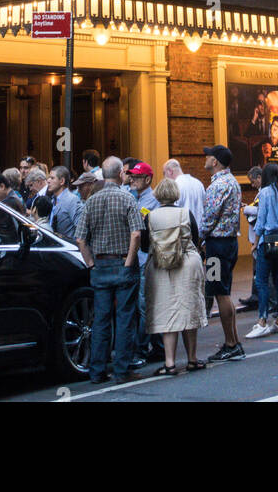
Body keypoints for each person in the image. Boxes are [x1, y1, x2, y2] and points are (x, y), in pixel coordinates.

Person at [75, 156, 143, 385]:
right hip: (123, 262)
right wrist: (128, 261)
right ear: (120, 174)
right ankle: (122, 370)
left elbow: (80, 239)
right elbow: (136, 233)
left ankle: (97, 371)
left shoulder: (91, 201)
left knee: (101, 321)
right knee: (125, 319)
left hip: (100, 266)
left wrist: (91, 264)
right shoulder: (127, 198)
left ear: (103, 176)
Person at [140, 177, 208, 374]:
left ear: (158, 195)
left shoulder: (150, 217)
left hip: (160, 267)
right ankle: (192, 359)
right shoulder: (186, 214)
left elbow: (145, 246)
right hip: (187, 264)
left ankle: (169, 363)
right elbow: (195, 239)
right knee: (188, 311)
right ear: (175, 194)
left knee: (166, 313)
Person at [200, 145, 244, 361]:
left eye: (208, 156)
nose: (205, 159)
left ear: (215, 161)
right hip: (228, 243)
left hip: (217, 244)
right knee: (224, 291)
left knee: (220, 293)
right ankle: (234, 342)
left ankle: (230, 344)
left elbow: (209, 217)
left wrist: (197, 237)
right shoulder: (233, 182)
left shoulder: (218, 185)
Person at [247, 162, 278, 338]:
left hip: (266, 241)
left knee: (262, 282)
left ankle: (262, 321)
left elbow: (260, 221)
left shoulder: (265, 193)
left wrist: (255, 243)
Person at [127, 162, 162, 365]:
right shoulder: (136, 198)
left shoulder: (152, 200)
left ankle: (141, 349)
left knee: (144, 305)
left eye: (136, 177)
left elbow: (141, 225)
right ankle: (156, 346)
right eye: (131, 176)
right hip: (139, 258)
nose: (132, 179)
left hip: (146, 259)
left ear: (147, 180)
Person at [238, 165, 264, 311]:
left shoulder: (264, 193)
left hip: (259, 239)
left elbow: (260, 211)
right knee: (256, 270)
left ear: (259, 178)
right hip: (256, 238)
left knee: (260, 271)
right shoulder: (261, 192)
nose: (252, 185)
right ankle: (255, 297)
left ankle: (260, 299)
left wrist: (246, 209)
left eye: (253, 181)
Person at [163, 158, 206, 231]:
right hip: (200, 233)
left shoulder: (175, 186)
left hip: (184, 233)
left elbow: (173, 214)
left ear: (170, 171)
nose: (164, 178)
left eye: (164, 173)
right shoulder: (199, 183)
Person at [47, 164, 82, 239]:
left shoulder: (72, 200)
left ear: (62, 181)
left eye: (52, 178)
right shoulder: (52, 200)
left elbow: (80, 227)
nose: (48, 181)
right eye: (49, 178)